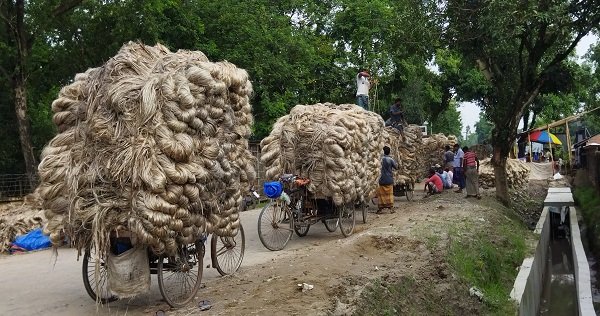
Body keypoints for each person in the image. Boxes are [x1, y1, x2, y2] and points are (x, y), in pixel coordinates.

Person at [377, 146, 398, 213]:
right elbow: (396, 167)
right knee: (389, 194)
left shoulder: (379, 159)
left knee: (381, 194)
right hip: (389, 179)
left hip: (381, 179)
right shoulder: (391, 159)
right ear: (389, 152)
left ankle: (380, 209)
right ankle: (391, 208)